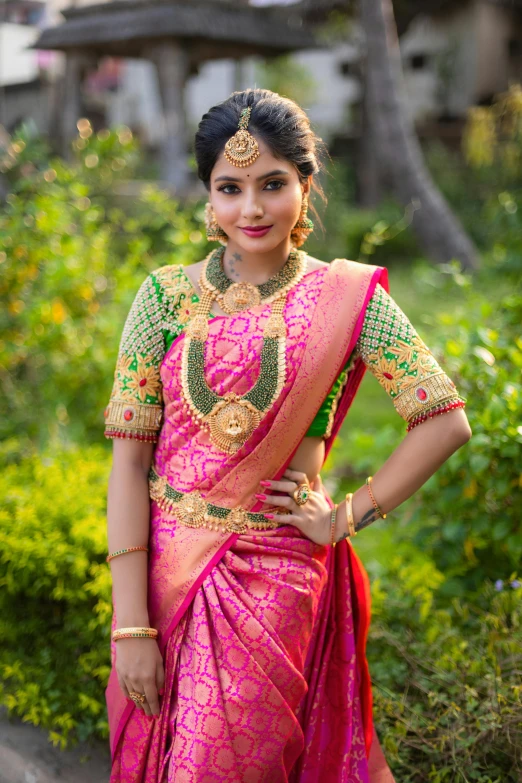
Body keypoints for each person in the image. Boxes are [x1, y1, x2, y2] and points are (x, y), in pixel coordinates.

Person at [103, 88, 471, 782]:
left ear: (306, 185)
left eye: (273, 184)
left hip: (276, 583)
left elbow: (444, 420)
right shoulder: (162, 297)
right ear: (207, 197)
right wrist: (131, 626)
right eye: (230, 187)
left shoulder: (349, 300)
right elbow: (128, 466)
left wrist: (346, 516)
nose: (251, 208)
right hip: (165, 578)